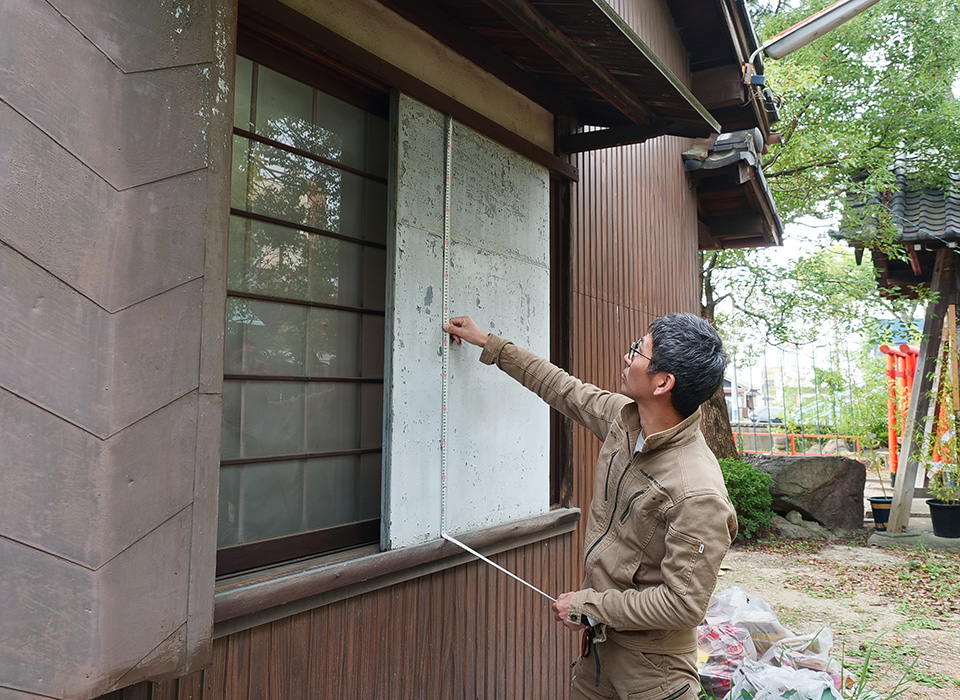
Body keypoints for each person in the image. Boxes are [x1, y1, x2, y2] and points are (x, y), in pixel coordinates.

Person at [442, 313, 738, 700]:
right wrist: (490, 344)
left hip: (654, 675)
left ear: (664, 382)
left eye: (638, 351)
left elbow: (682, 604)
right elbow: (562, 388)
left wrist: (591, 606)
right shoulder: (626, 421)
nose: (627, 356)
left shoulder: (697, 492)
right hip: (600, 653)